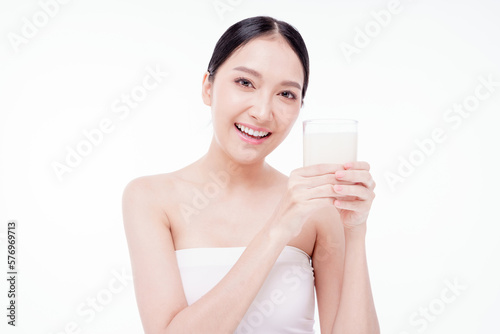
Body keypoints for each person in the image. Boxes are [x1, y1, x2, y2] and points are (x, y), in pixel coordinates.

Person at [122, 16, 379, 334]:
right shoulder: (150, 198)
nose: (262, 112)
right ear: (208, 87)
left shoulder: (318, 209)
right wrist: (276, 231)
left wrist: (354, 232)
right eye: (245, 83)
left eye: (286, 94)